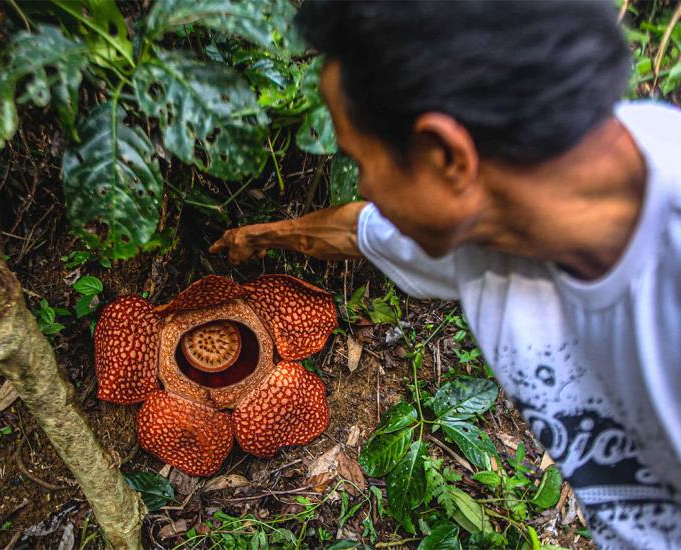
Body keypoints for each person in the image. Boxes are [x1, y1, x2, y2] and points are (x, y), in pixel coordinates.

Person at [210, 1, 681, 548]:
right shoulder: (500, 204)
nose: (364, 186)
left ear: (445, 156)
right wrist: (258, 237)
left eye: (360, 162)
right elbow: (356, 230)